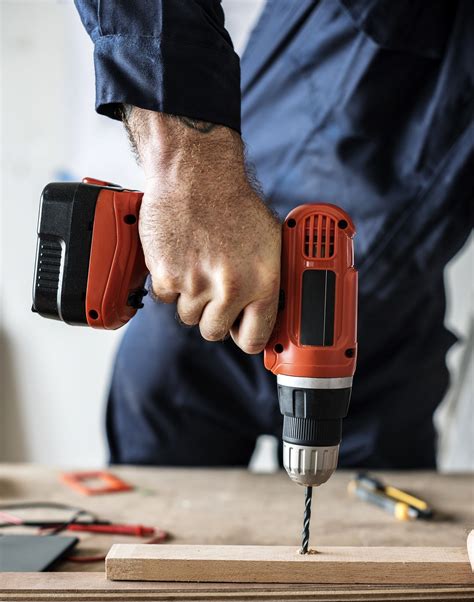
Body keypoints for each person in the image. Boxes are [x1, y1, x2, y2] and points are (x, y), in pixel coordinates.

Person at [74, 0, 473, 468]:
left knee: (381, 534)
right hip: (206, 303)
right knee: (161, 522)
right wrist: (190, 169)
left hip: (393, 342)